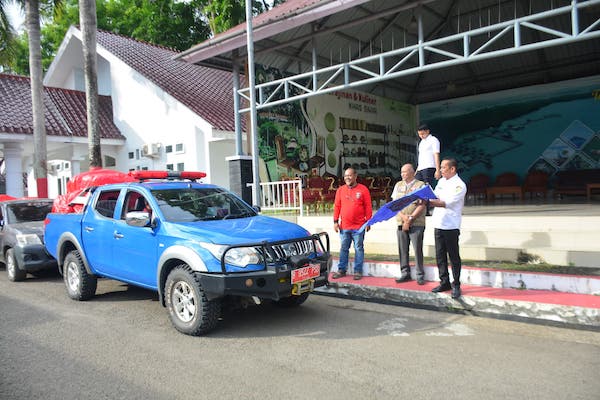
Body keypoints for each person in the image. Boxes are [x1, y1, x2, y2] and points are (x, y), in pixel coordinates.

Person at [428, 158, 467, 299]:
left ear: (452, 169)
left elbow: (444, 203)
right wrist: (424, 197)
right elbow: (435, 196)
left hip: (451, 225)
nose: (441, 170)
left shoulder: (459, 185)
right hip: (438, 223)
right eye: (441, 167)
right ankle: (444, 281)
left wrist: (428, 202)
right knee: (440, 255)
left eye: (444, 167)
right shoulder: (441, 182)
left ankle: (456, 284)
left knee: (453, 256)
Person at [331, 168, 372, 280]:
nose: (347, 178)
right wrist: (335, 221)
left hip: (359, 226)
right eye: (345, 176)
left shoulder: (363, 189)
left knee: (358, 248)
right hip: (344, 226)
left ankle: (358, 271)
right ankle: (341, 270)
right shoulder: (340, 190)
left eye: (349, 175)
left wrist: (369, 221)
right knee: (344, 248)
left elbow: (368, 206)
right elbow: (337, 206)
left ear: (355, 176)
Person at [390, 163, 427, 285]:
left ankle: (420, 274)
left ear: (412, 172)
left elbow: (422, 204)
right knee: (402, 249)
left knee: (417, 249)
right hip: (401, 221)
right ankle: (405, 273)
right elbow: (394, 204)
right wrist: (404, 218)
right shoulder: (398, 185)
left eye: (405, 172)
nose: (402, 174)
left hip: (416, 222)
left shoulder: (420, 185)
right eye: (401, 172)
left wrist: (410, 218)